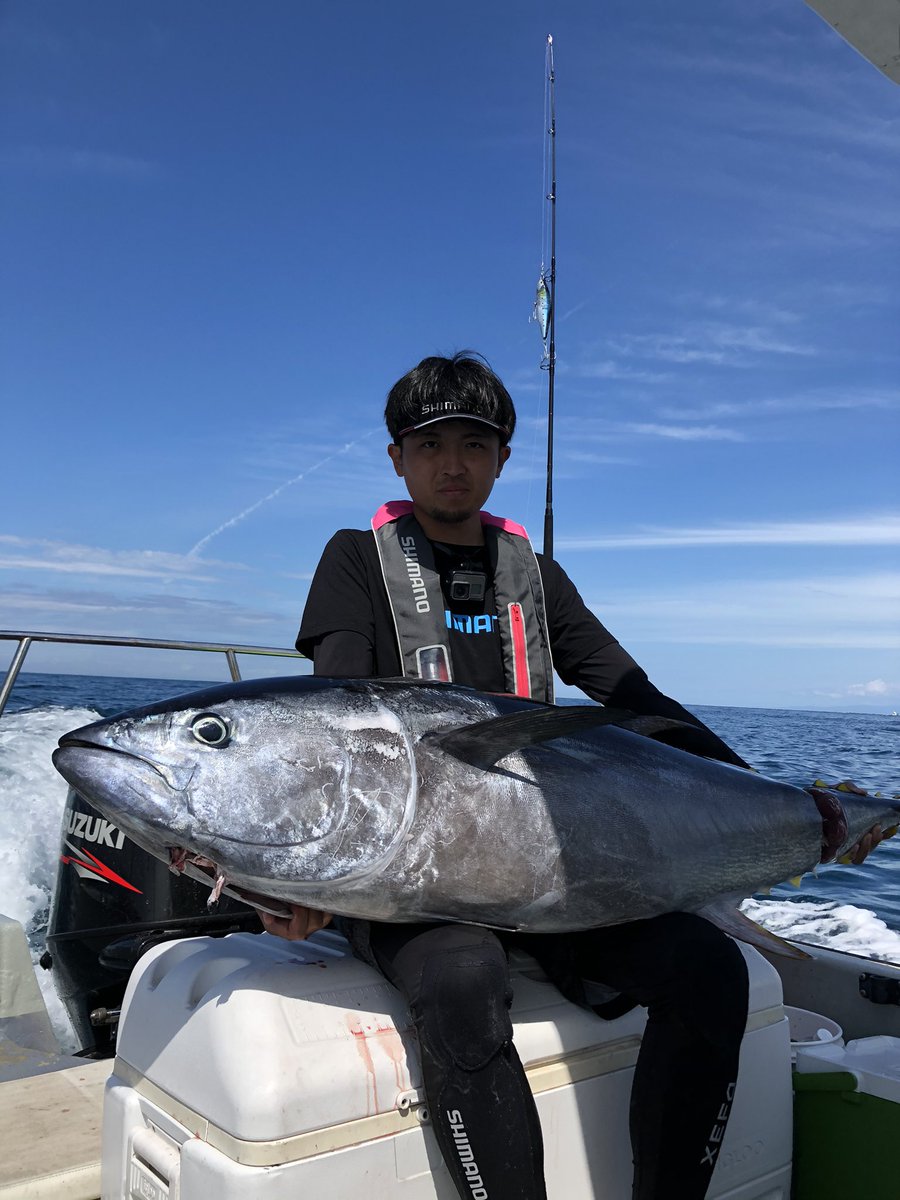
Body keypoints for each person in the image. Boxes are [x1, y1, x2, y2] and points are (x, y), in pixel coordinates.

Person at [261, 352, 882, 1200]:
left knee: (710, 969)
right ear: (397, 458)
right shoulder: (355, 562)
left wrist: (784, 804)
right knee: (462, 978)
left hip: (552, 872)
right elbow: (334, 711)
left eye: (474, 445)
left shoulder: (536, 577)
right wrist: (286, 883)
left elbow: (634, 699)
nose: (453, 464)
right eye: (430, 443)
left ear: (503, 460)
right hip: (411, 877)